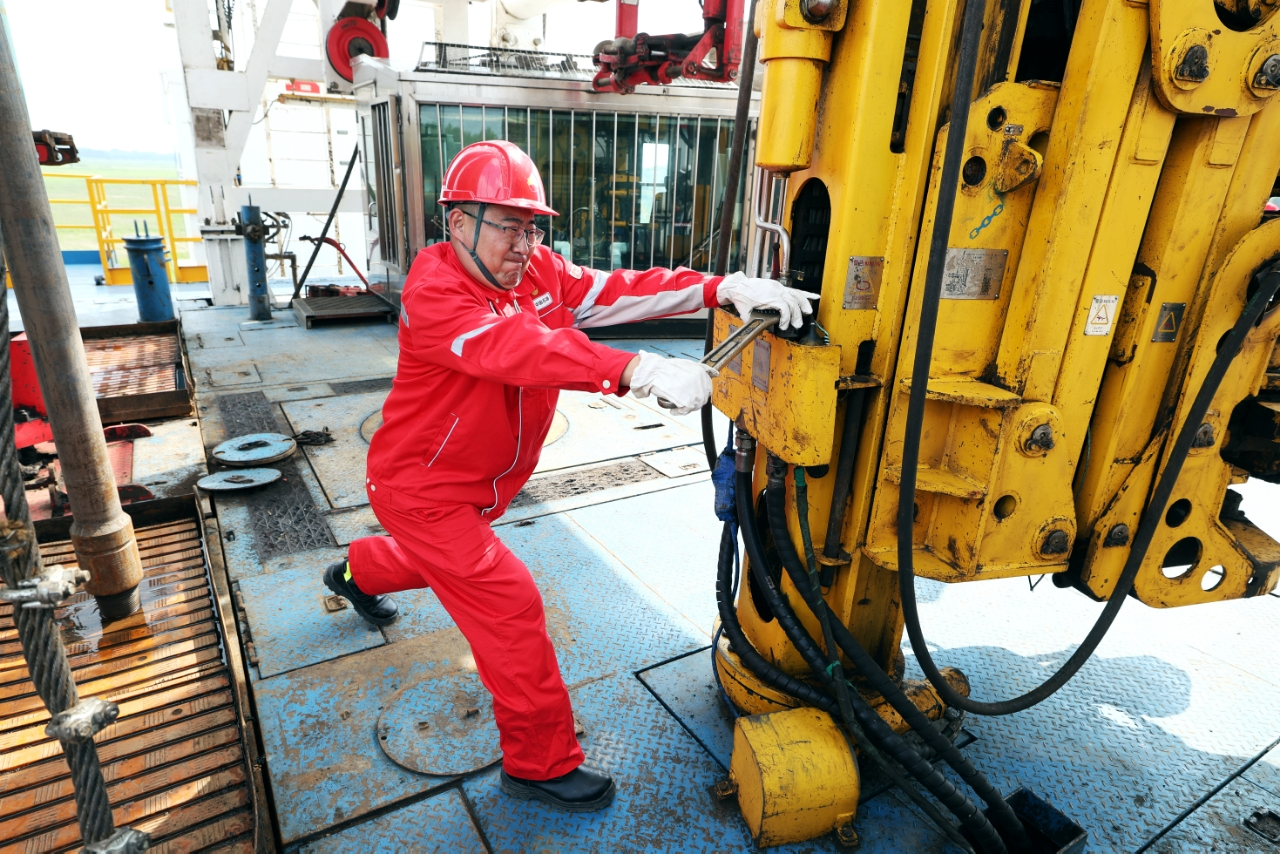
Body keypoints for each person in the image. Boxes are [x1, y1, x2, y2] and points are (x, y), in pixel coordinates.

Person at [323, 140, 815, 812]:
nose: (524, 243)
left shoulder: (538, 274)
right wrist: (633, 370)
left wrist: (718, 287)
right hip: (422, 489)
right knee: (507, 601)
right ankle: (538, 764)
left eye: (532, 226)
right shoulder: (436, 292)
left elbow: (613, 291)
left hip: (477, 488)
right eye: (506, 224)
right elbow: (516, 347)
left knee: (436, 566)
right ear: (458, 223)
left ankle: (354, 572)